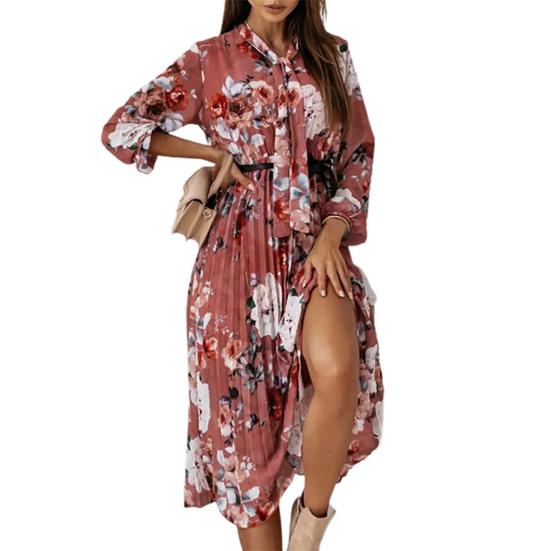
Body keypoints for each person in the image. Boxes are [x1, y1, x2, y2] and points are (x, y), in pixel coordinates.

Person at [100, 1, 384, 549]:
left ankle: (310, 529)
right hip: (233, 259)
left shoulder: (332, 56)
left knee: (337, 370)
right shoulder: (210, 59)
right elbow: (121, 130)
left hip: (313, 245)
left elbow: (358, 155)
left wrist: (333, 230)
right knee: (245, 434)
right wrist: (208, 152)